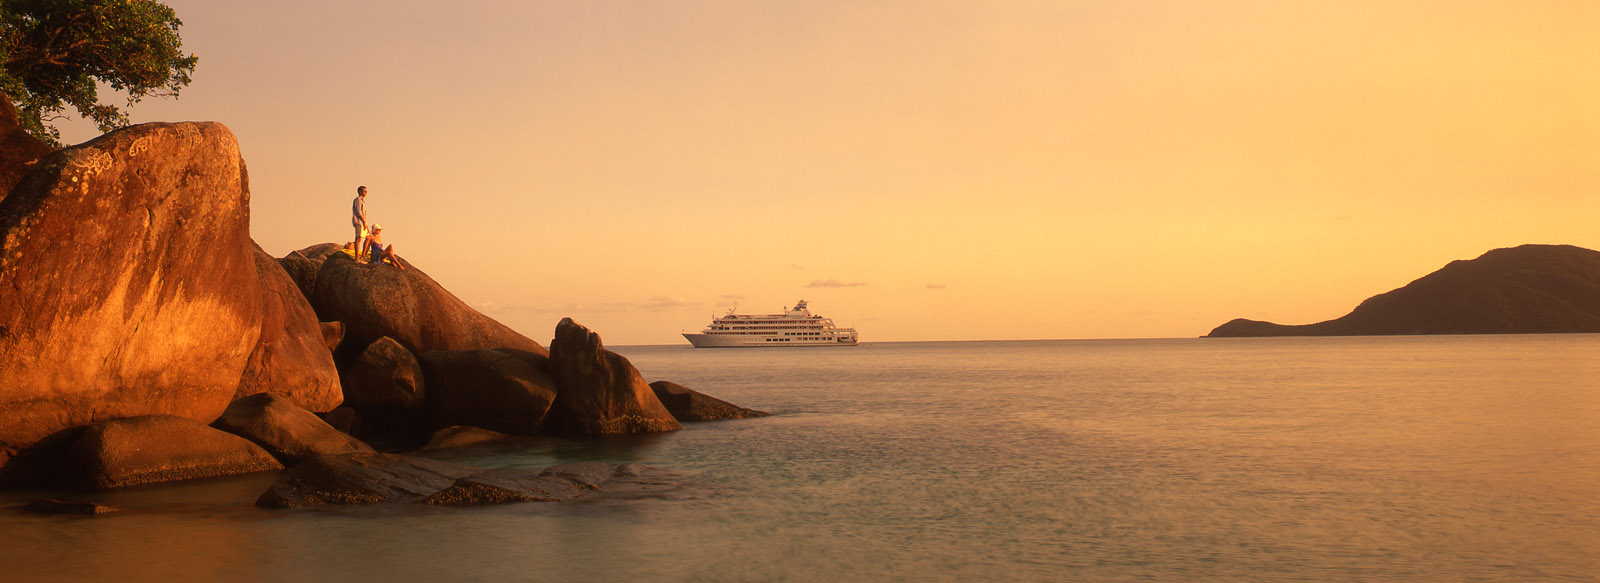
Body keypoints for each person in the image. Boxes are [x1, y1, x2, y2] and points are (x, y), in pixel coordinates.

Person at [351, 185, 369, 262]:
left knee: (369, 238)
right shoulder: (357, 200)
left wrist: (366, 223)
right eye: (364, 191)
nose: (365, 193)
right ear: (360, 192)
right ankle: (357, 257)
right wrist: (364, 221)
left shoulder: (362, 201)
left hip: (363, 222)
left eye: (366, 191)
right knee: (358, 238)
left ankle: (363, 256)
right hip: (359, 222)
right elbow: (359, 212)